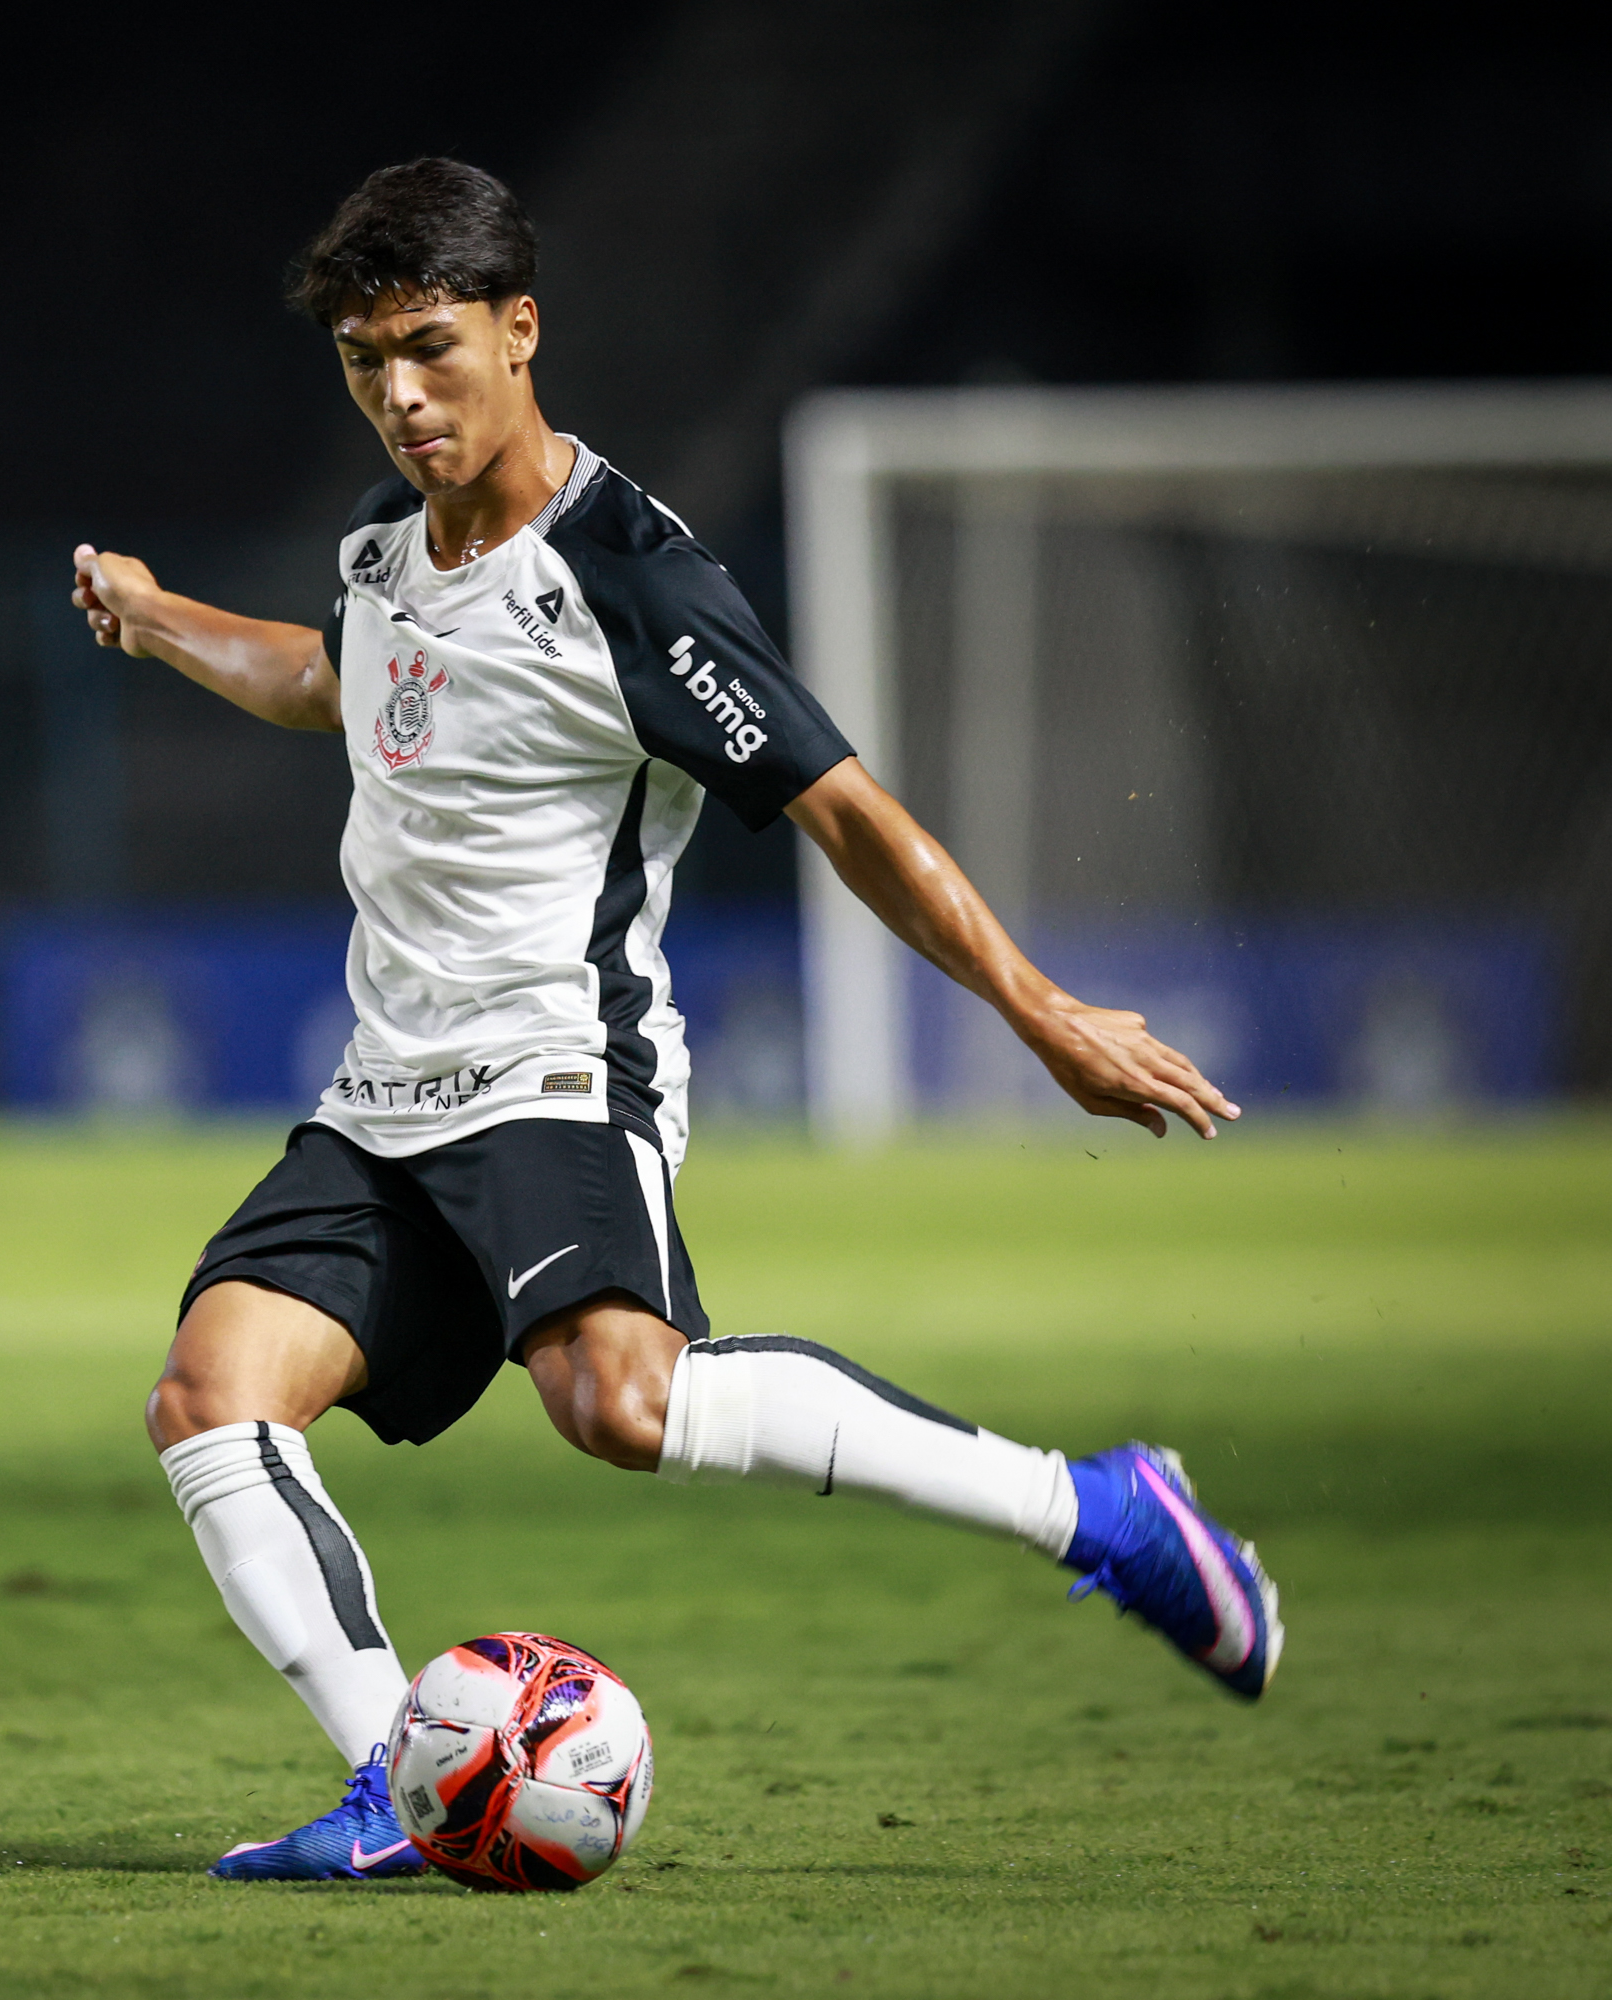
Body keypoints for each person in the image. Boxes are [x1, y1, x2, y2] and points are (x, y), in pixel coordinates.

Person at [70, 158, 1282, 1884]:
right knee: (210, 1399)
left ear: (519, 326)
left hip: (561, 1072)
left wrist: (1037, 1011)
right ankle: (390, 1789)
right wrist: (160, 618)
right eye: (361, 362)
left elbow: (844, 808)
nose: (399, 395)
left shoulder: (630, 577)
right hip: (380, 1099)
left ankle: (1094, 1508)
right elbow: (341, 684)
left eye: (427, 348)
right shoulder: (381, 547)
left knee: (621, 1407)